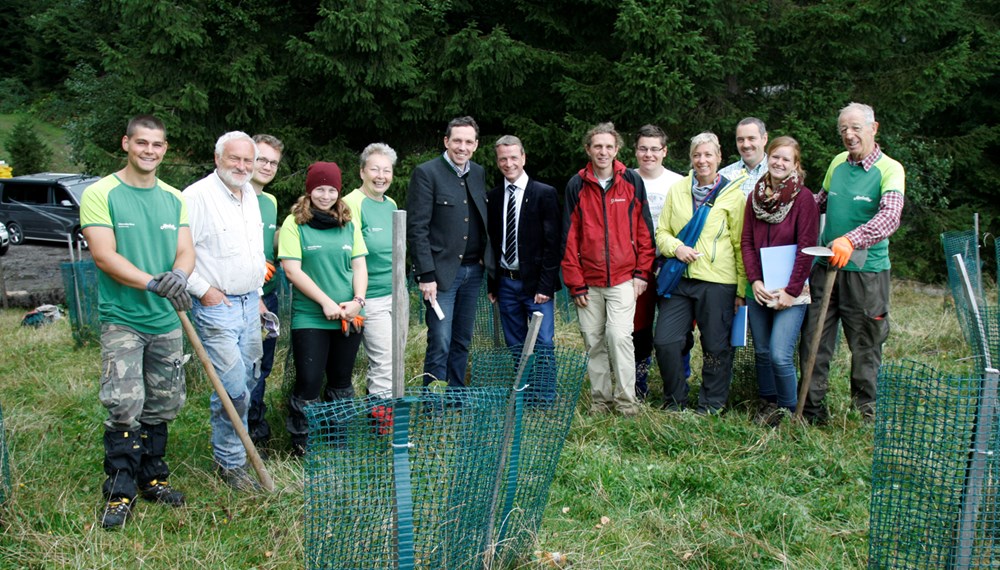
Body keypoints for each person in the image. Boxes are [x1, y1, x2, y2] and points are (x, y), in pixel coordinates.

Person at [81, 114, 195, 528]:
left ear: (165, 150)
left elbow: (185, 250)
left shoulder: (173, 197)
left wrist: (179, 275)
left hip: (166, 320)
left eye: (157, 145)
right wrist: (152, 283)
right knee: (125, 404)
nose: (149, 151)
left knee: (164, 403)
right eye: (141, 143)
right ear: (126, 143)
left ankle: (152, 478)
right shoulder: (102, 193)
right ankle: (119, 492)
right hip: (123, 318)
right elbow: (104, 256)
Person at [799, 102, 905, 424]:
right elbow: (819, 202)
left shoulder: (889, 169)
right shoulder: (837, 164)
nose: (849, 134)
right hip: (828, 267)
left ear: (874, 129)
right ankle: (812, 411)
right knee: (814, 339)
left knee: (866, 344)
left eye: (856, 127)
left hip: (867, 273)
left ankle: (865, 416)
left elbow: (889, 217)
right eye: (843, 129)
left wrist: (851, 239)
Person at [183, 131, 267, 491]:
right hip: (218, 307)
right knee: (232, 389)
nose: (242, 166)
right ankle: (232, 464)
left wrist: (259, 294)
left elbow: (254, 250)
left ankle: (234, 449)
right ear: (217, 158)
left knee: (248, 380)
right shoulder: (196, 197)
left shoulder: (249, 194)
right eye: (235, 159)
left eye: (248, 160)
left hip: (249, 301)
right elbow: (179, 253)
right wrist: (205, 292)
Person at [562, 122, 655, 416]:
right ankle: (601, 401)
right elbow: (569, 237)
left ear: (617, 150)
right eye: (597, 146)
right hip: (588, 282)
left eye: (608, 146)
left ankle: (627, 403)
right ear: (588, 149)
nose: (603, 151)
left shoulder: (630, 180)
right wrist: (575, 283)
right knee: (593, 341)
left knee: (619, 336)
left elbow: (644, 230)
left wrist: (642, 273)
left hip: (624, 279)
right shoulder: (576, 185)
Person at [654, 132, 747, 415]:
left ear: (719, 158)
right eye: (697, 155)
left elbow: (740, 244)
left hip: (718, 282)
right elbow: (662, 232)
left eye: (708, 155)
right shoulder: (677, 189)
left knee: (716, 346)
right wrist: (676, 247)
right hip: (680, 280)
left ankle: (712, 403)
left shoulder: (733, 195)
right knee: (665, 340)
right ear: (691, 158)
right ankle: (675, 400)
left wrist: (742, 291)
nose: (702, 160)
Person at [279, 162, 367, 455]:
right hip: (311, 317)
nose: (326, 195)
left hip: (348, 316)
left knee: (341, 380)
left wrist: (357, 300)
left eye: (331, 189)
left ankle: (336, 437)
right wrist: (325, 302)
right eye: (320, 189)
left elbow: (359, 265)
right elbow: (293, 271)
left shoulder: (348, 223)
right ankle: (302, 441)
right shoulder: (295, 223)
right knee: (309, 380)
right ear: (309, 190)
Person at [740, 136, 819, 426]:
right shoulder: (755, 197)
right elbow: (747, 242)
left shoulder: (804, 199)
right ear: (767, 157)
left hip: (791, 291)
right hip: (760, 287)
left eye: (786, 159)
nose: (779, 163)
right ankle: (768, 404)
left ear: (795, 164)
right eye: (775, 157)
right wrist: (755, 281)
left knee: (779, 354)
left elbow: (807, 247)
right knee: (761, 351)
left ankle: (790, 412)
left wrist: (791, 291)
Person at [406, 116, 490, 388]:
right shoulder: (427, 173)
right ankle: (434, 404)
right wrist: (426, 274)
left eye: (468, 141)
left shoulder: (477, 172)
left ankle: (455, 397)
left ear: (476, 145)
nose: (462, 147)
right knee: (440, 340)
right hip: (441, 276)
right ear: (446, 141)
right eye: (457, 140)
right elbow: (417, 228)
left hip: (473, 272)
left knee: (462, 339)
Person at [487, 135, 562, 403]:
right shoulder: (494, 197)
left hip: (536, 285)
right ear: (498, 161)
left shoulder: (544, 193)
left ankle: (545, 396)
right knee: (515, 342)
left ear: (524, 158)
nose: (508, 163)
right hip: (506, 283)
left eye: (513, 157)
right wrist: (493, 284)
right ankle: (524, 394)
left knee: (542, 342)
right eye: (503, 159)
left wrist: (545, 285)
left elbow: (554, 245)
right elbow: (493, 244)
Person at [343, 143, 403, 399]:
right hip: (372, 297)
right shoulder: (350, 203)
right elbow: (349, 254)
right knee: (385, 360)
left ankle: (381, 408)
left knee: (397, 355)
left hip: (397, 294)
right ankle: (382, 421)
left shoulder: (391, 203)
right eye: (375, 169)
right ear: (362, 172)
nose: (381, 176)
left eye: (387, 170)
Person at [631, 124, 684, 400]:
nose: (648, 154)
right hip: (635, 265)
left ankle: (678, 380)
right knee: (638, 327)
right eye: (643, 149)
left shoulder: (678, 182)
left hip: (670, 263)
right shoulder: (626, 179)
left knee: (677, 327)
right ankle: (639, 381)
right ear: (636, 151)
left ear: (664, 151)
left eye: (654, 149)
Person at [248, 133, 283, 450]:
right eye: (262, 159)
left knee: (264, 366)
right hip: (243, 299)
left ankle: (256, 427)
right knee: (246, 367)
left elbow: (272, 242)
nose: (268, 166)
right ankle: (245, 433)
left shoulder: (269, 201)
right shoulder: (236, 195)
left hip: (268, 296)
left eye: (273, 162)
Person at [720, 117, 769, 197]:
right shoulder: (723, 175)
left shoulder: (777, 172)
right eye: (740, 140)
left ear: (764, 139)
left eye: (751, 138)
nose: (746, 145)